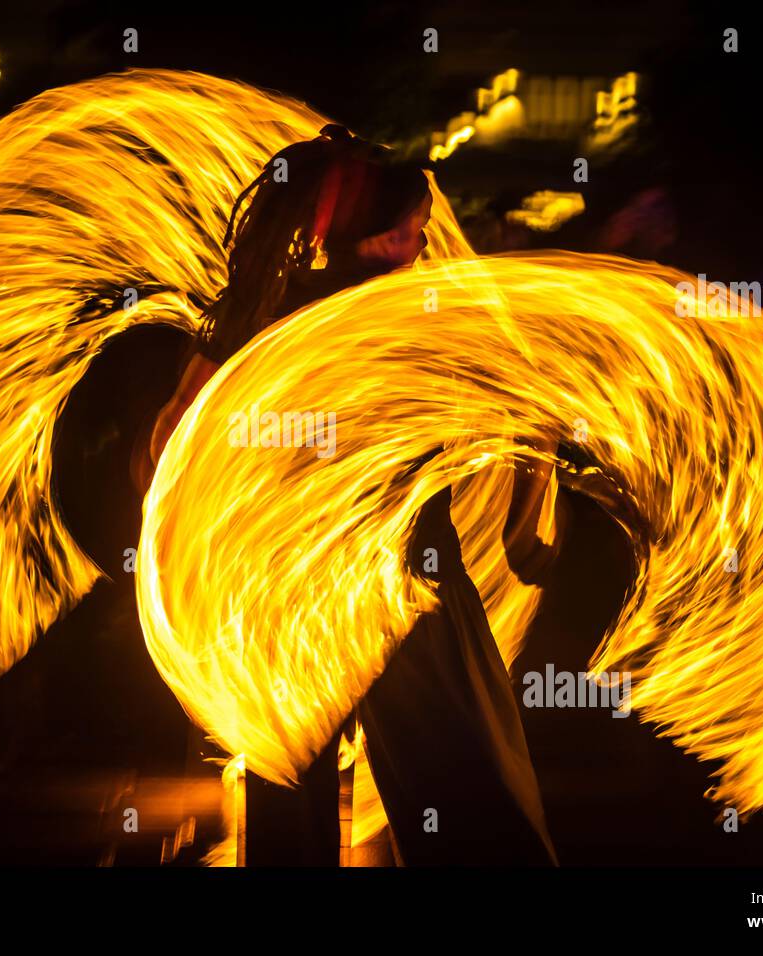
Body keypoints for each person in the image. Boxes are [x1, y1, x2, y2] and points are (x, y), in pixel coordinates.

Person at [136, 124, 558, 865]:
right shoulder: (406, 323)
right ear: (383, 238)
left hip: (287, 582)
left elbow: (168, 437)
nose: (426, 245)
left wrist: (192, 526)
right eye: (418, 231)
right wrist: (525, 532)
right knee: (460, 781)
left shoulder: (265, 314)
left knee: (290, 793)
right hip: (405, 582)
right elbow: (525, 414)